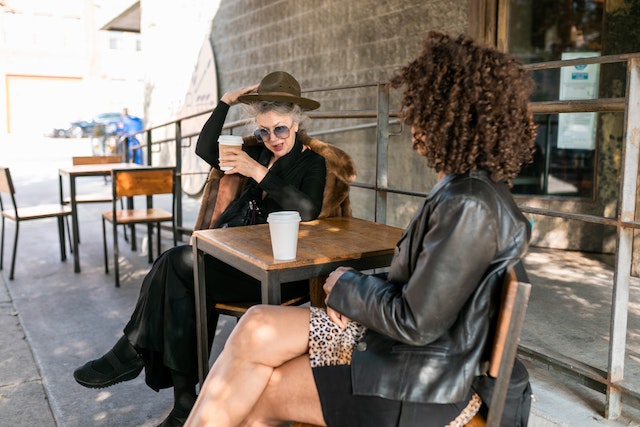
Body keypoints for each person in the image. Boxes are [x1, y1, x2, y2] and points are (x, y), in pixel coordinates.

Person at [184, 31, 538, 427]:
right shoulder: (466, 190)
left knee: (257, 390)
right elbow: (430, 289)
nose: (410, 120)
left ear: (447, 117)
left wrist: (349, 288)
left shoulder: (469, 204)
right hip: (412, 352)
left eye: (419, 108)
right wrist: (349, 290)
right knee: (256, 325)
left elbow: (416, 322)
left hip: (422, 379)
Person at [72, 71, 326, 427]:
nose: (272, 139)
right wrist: (225, 102)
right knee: (177, 275)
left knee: (176, 264)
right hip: (239, 259)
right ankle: (181, 401)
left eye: (280, 129)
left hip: (279, 270)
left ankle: (135, 356)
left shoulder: (312, 162)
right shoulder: (255, 149)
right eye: (264, 130)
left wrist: (256, 171)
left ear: (297, 122)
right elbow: (205, 149)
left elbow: (308, 209)